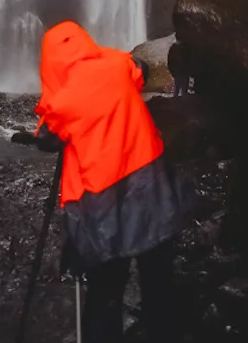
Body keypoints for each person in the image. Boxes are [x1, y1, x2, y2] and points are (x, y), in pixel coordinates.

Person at [34, 21, 195, 343]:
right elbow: (140, 68)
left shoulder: (63, 102)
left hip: (104, 199)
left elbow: (47, 137)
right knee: (158, 278)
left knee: (105, 288)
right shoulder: (117, 64)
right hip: (153, 186)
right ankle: (165, 332)